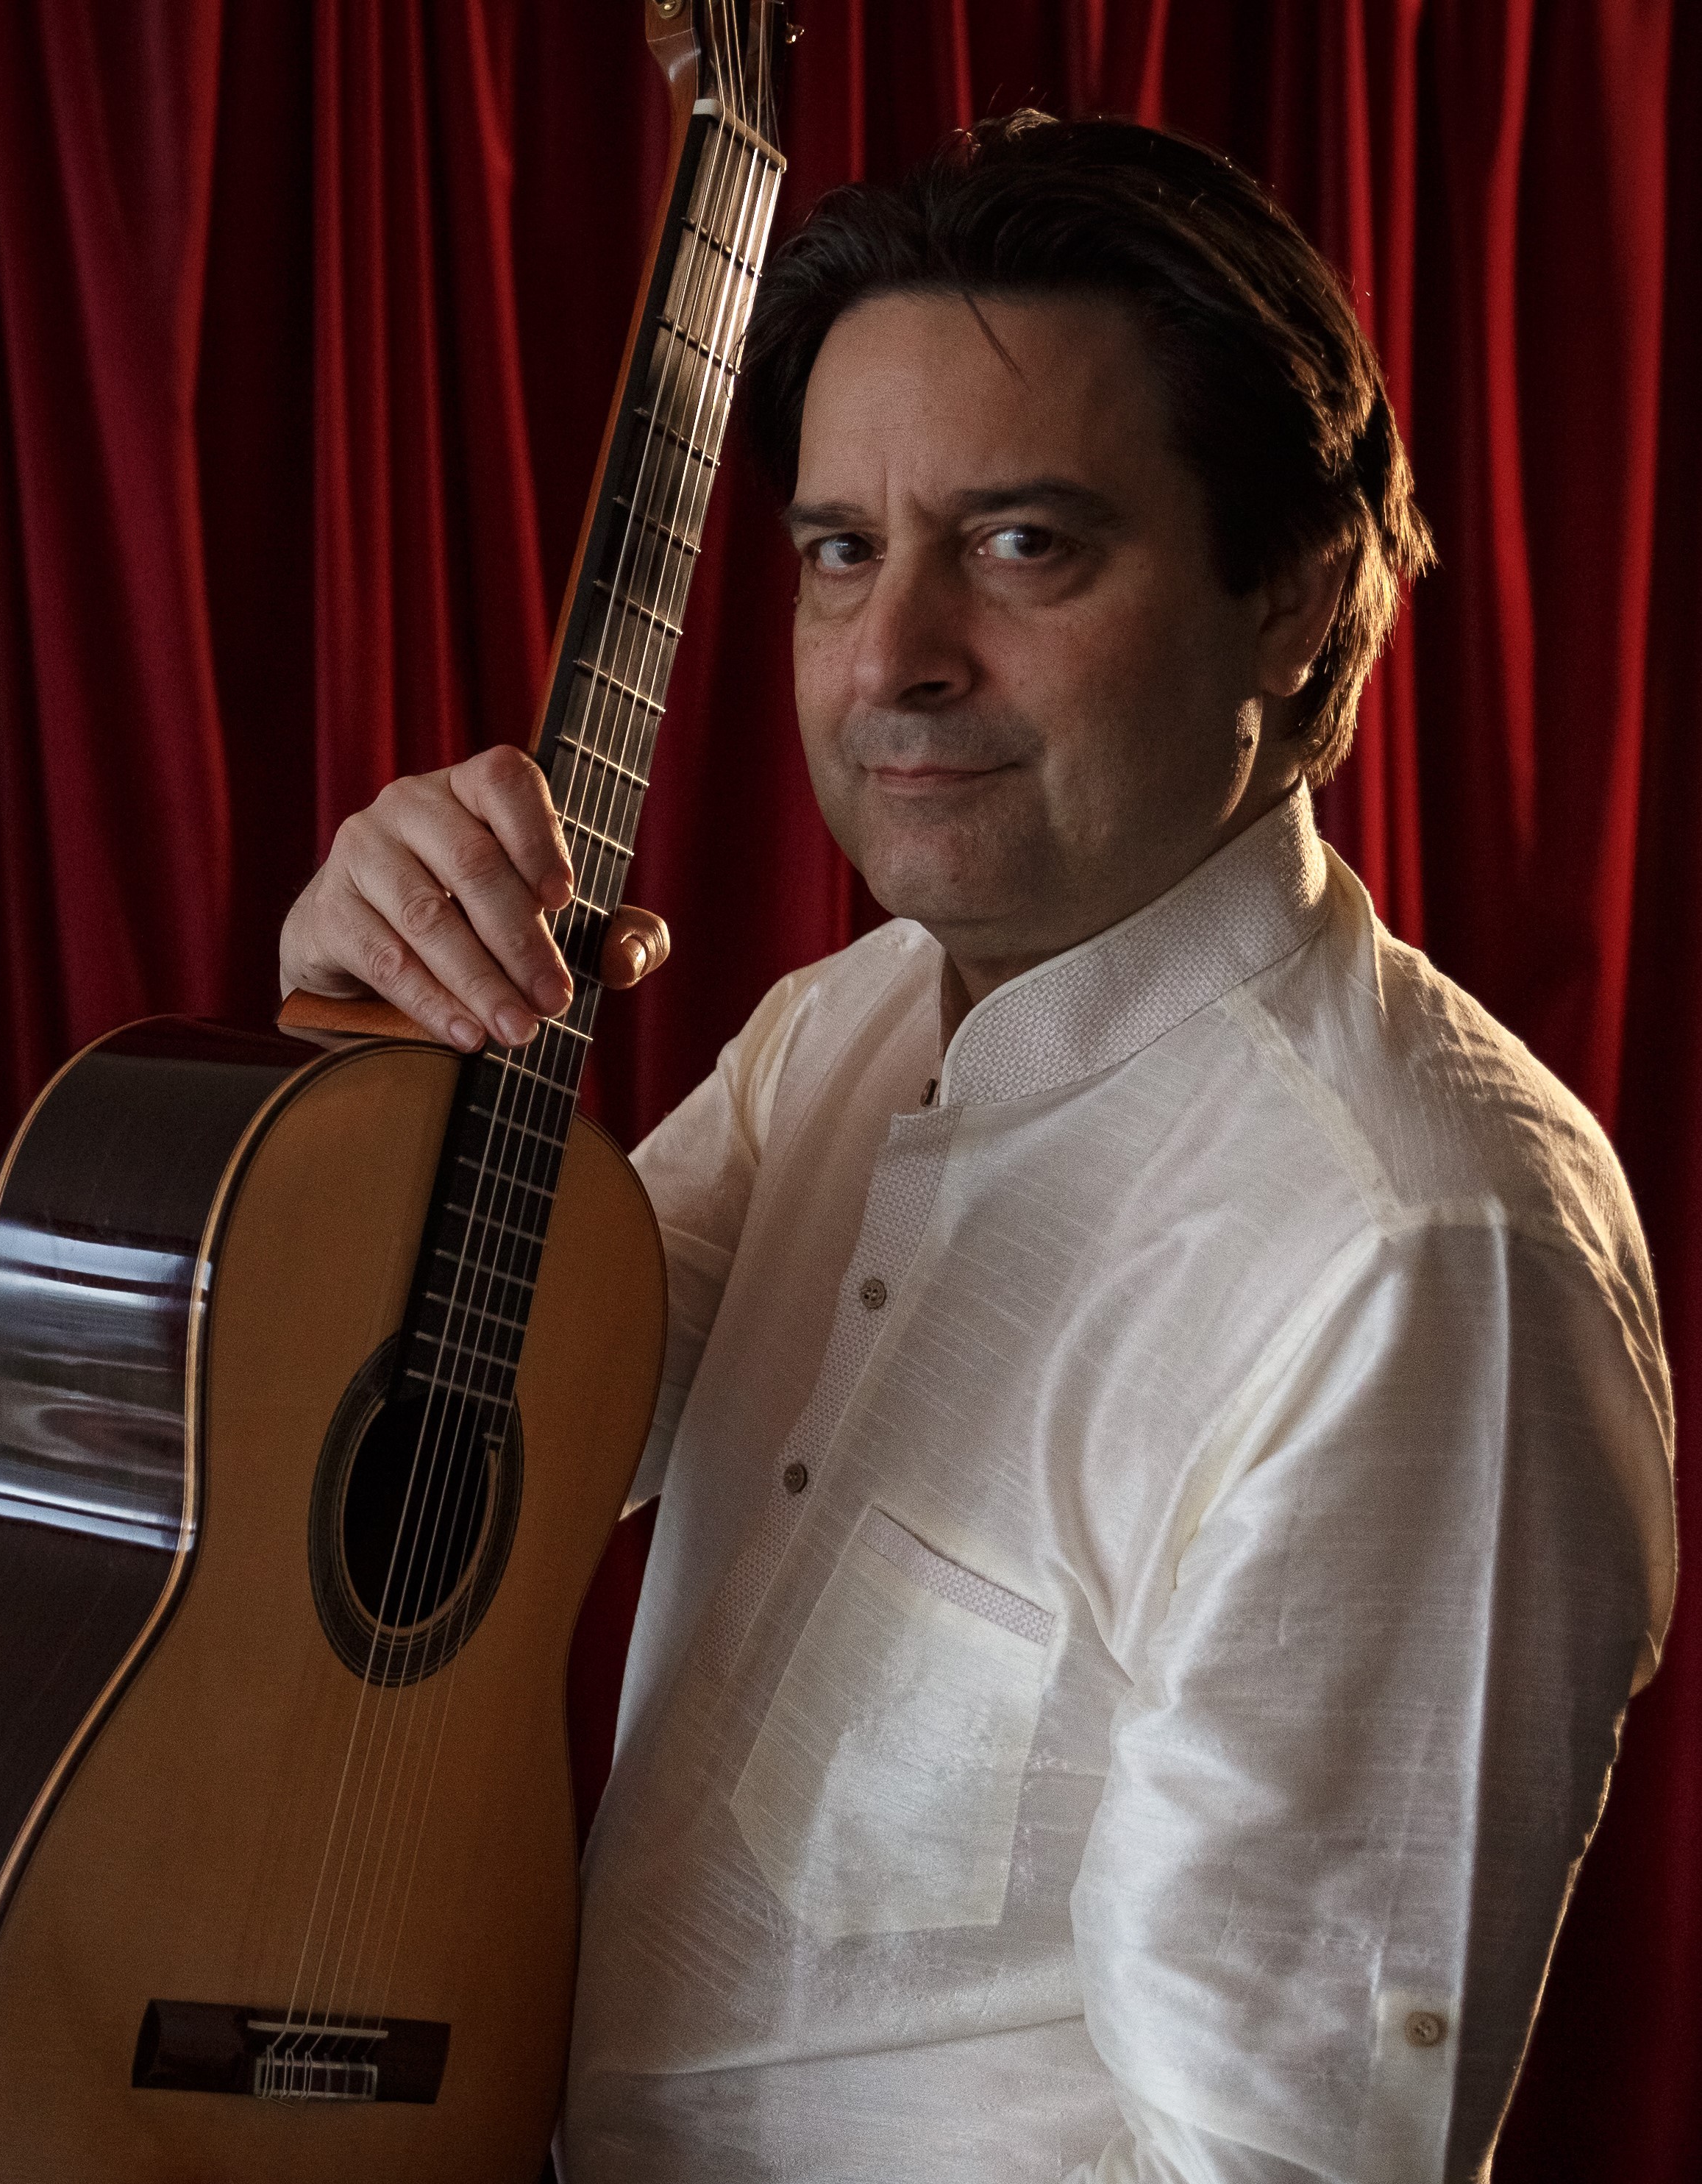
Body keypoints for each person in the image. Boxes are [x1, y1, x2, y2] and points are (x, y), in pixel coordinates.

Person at [279, 115, 1674, 2183]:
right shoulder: (837, 1032)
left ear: (1295, 601)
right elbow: (463, 1443)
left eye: (1023, 544)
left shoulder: (1416, 1248)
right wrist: (363, 1044)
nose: (893, 656)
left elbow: (1277, 2161)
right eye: (842, 549)